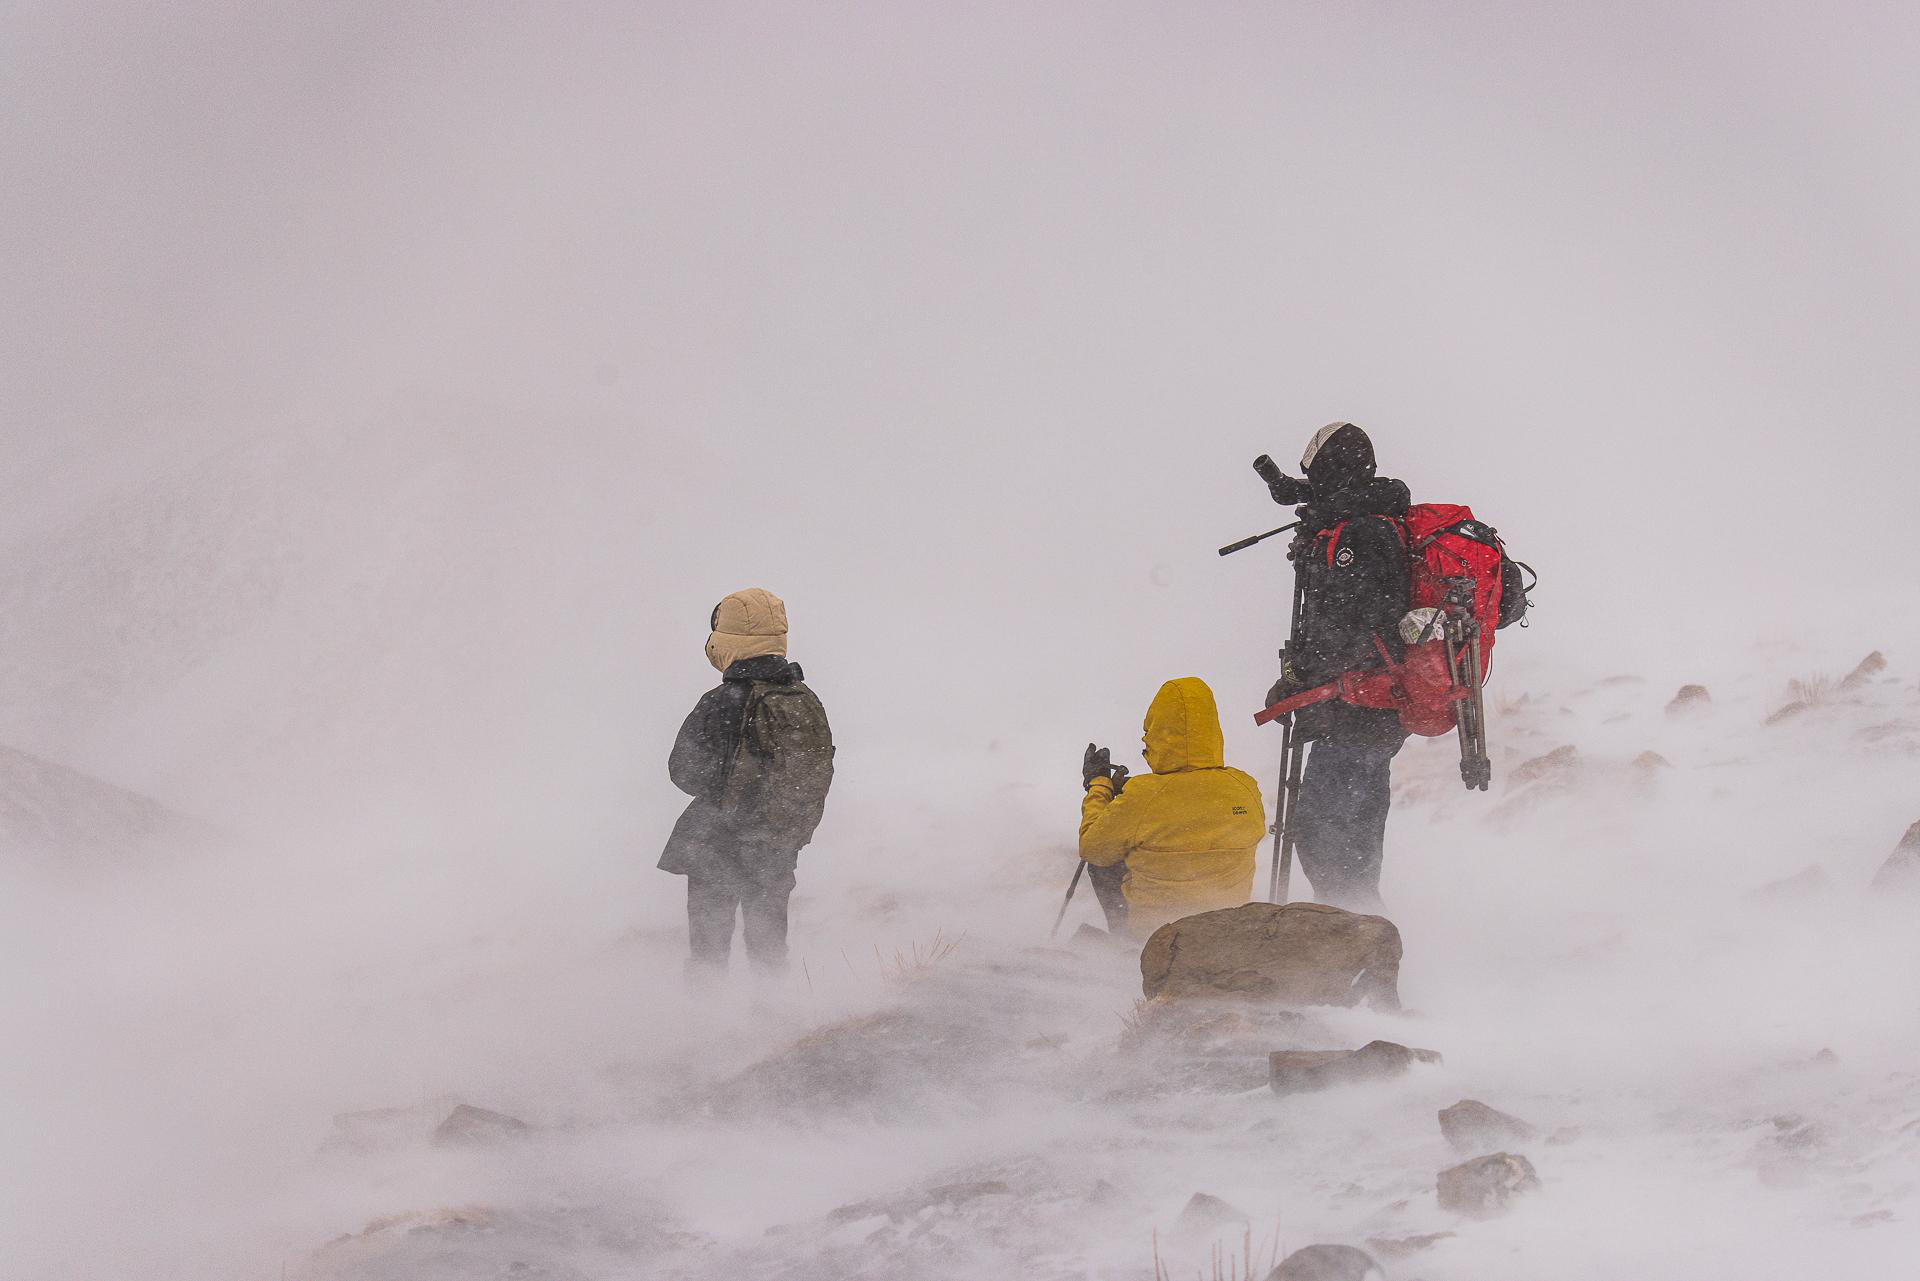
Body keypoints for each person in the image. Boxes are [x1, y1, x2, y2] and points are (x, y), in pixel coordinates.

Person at [1263, 422, 1411, 911]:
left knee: (1321, 831)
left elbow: (1350, 624)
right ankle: (1366, 933)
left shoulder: (1360, 534)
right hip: (1379, 709)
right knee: (1357, 828)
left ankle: (1348, 934)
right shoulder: (1377, 516)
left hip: (1355, 710)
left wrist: (1297, 680)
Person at [658, 588, 834, 978]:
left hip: (718, 844)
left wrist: (726, 786)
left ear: (726, 640)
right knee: (770, 946)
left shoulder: (723, 700)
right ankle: (774, 1022)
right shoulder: (803, 697)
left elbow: (682, 770)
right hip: (777, 840)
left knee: (709, 949)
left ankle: (707, 1025)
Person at [1078, 677, 1266, 937]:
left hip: (1156, 935)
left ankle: (1123, 943)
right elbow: (1193, 809)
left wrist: (1099, 786)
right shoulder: (1245, 786)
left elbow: (1093, 849)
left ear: (1156, 732)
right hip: (1225, 930)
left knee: (1105, 860)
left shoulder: (1143, 796)